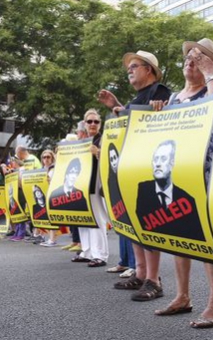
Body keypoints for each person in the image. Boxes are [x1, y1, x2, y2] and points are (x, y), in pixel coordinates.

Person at [144, 37, 213, 327]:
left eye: (200, 56)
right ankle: (182, 296)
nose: (192, 60)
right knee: (180, 236)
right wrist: (157, 112)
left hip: (205, 173)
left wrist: (210, 74)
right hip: (177, 175)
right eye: (189, 57)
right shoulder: (175, 98)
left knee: (206, 238)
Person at [99, 50, 170, 301]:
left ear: (148, 69)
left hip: (148, 168)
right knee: (134, 223)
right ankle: (140, 274)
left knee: (147, 224)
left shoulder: (159, 91)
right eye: (128, 67)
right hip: (130, 169)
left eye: (134, 66)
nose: (129, 70)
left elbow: (157, 120)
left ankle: (154, 279)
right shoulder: (138, 97)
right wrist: (116, 107)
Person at [137, 140, 205, 240]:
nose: (158, 164)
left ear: (172, 163)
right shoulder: (143, 190)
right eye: (155, 159)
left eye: (163, 158)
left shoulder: (187, 199)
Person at [70, 109, 109, 268]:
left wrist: (98, 152)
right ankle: (87, 251)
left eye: (96, 121)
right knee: (83, 219)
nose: (93, 124)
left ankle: (100, 254)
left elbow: (113, 157)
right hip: (81, 185)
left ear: (100, 124)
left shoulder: (104, 138)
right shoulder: (81, 141)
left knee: (98, 219)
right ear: (84, 124)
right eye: (90, 121)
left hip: (96, 184)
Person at [104, 143, 136, 278]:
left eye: (115, 158)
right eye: (111, 159)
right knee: (122, 230)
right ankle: (124, 262)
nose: (113, 162)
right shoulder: (112, 177)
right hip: (119, 202)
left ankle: (134, 266)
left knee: (131, 231)